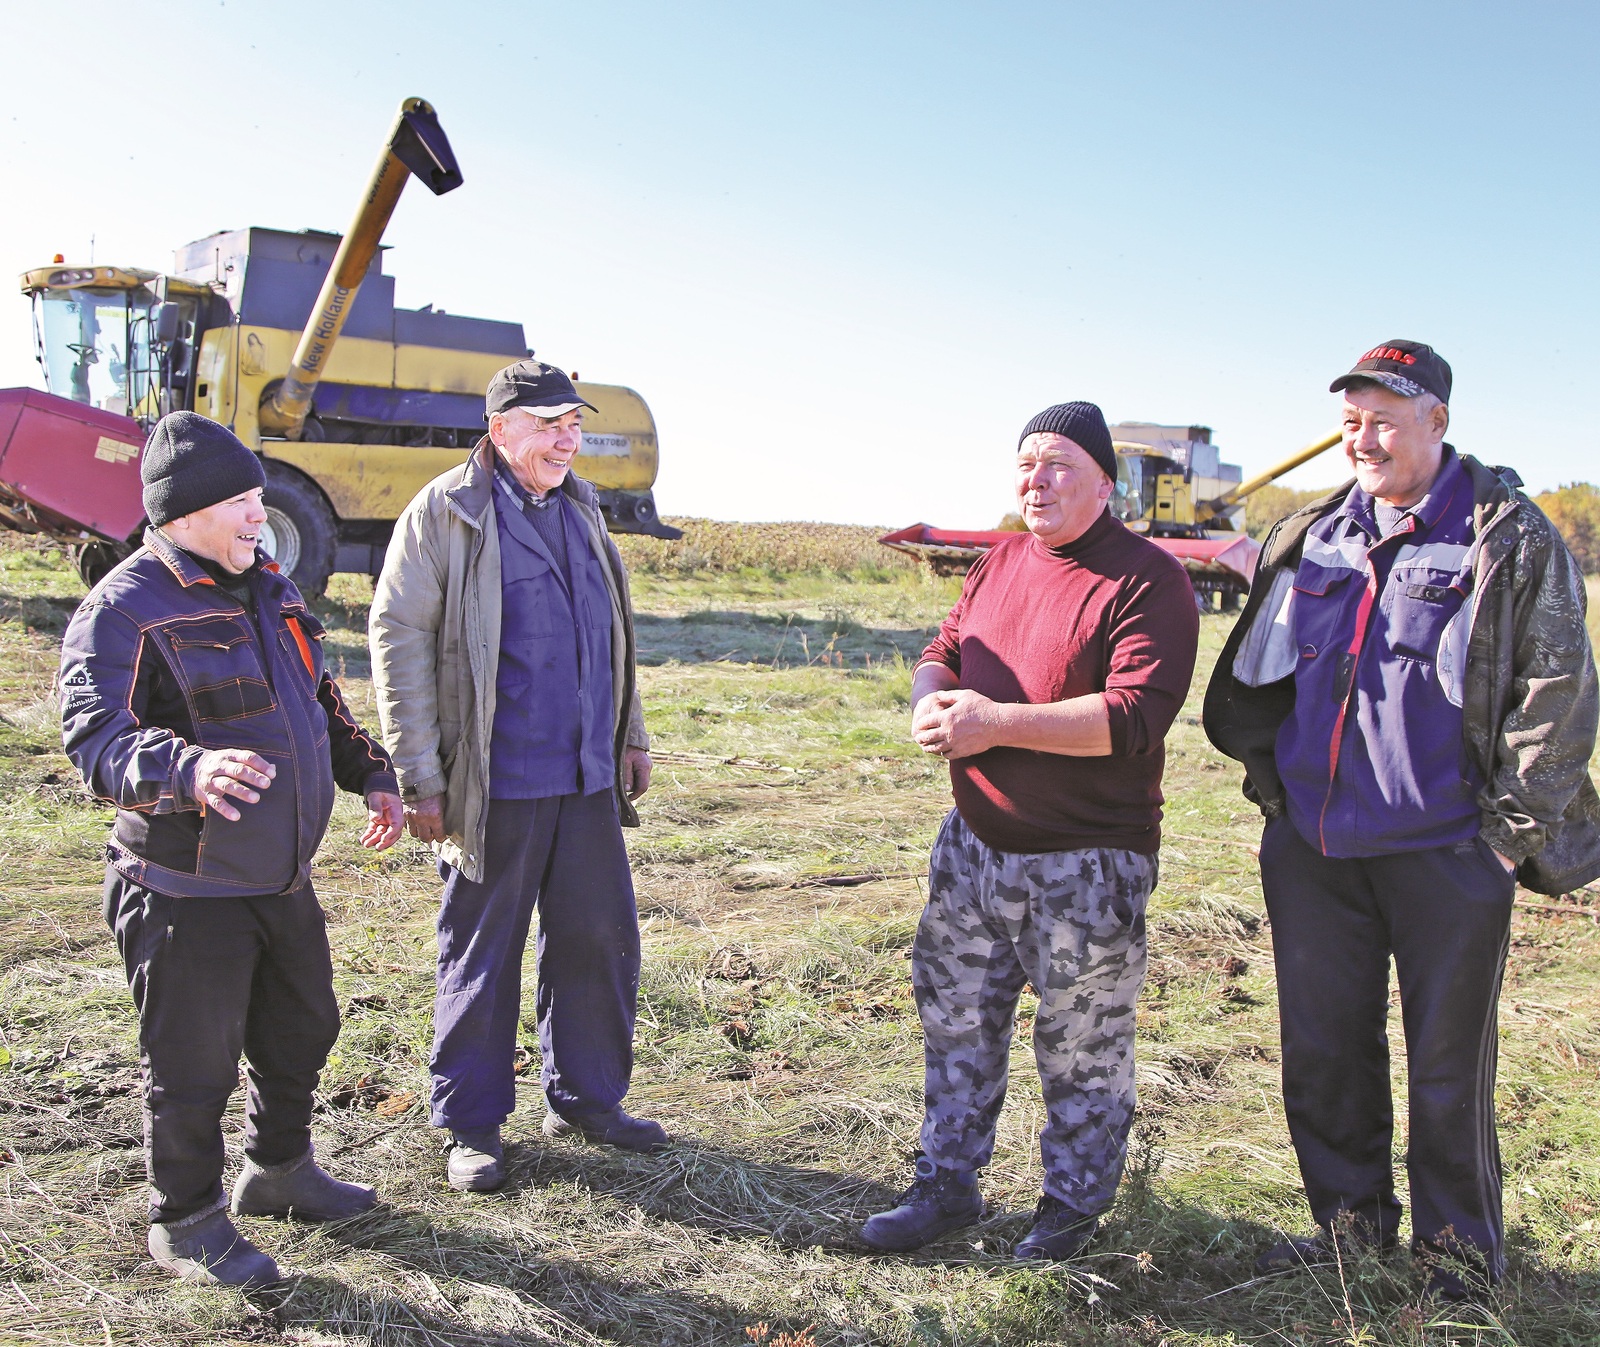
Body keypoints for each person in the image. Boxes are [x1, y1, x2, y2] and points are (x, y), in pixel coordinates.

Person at [1203, 341, 1600, 1298]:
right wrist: (1277, 801)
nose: (1363, 437)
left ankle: (1459, 1261)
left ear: (1438, 421)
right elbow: (1265, 674)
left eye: (1385, 416)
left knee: (1448, 1071)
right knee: (1325, 1050)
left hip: (1448, 854)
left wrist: (1504, 841)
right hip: (1316, 850)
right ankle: (1349, 1232)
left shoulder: (1505, 535)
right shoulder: (1315, 533)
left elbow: (1558, 691)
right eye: (1351, 419)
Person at [59, 412, 405, 1288]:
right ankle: (186, 1221)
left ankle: (279, 1171)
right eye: (243, 502)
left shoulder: (273, 588)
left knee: (304, 1026)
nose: (260, 516)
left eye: (259, 499)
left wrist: (375, 773)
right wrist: (188, 766)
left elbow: (319, 700)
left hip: (278, 873)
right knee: (192, 1063)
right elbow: (93, 739)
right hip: (181, 885)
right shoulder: (123, 608)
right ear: (183, 514)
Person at [859, 402, 1200, 1259]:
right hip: (972, 848)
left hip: (1085, 863)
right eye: (1025, 465)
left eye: (1057, 464)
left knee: (1082, 1042)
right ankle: (945, 1183)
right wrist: (930, 703)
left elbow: (1131, 718)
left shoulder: (1147, 579)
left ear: (1103, 483)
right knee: (956, 1022)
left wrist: (995, 722)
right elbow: (942, 648)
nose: (1036, 480)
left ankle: (1072, 1209)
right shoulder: (1000, 561)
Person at [369, 359, 660, 1194]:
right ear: (500, 430)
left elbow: (612, 631)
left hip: (585, 776)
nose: (566, 438)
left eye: (572, 422)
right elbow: (398, 638)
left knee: (596, 940)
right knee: (482, 952)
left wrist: (629, 734)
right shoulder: (447, 511)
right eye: (546, 423)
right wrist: (418, 772)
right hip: (494, 782)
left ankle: (586, 1098)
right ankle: (470, 1123)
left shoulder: (581, 505)